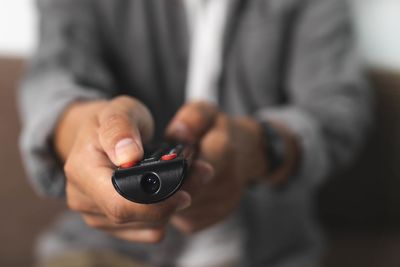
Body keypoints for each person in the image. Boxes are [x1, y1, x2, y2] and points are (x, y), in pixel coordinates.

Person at [18, 0, 372, 266]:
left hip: (271, 254)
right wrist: (82, 129)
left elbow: (337, 110)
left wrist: (260, 148)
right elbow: (54, 78)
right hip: (101, 252)